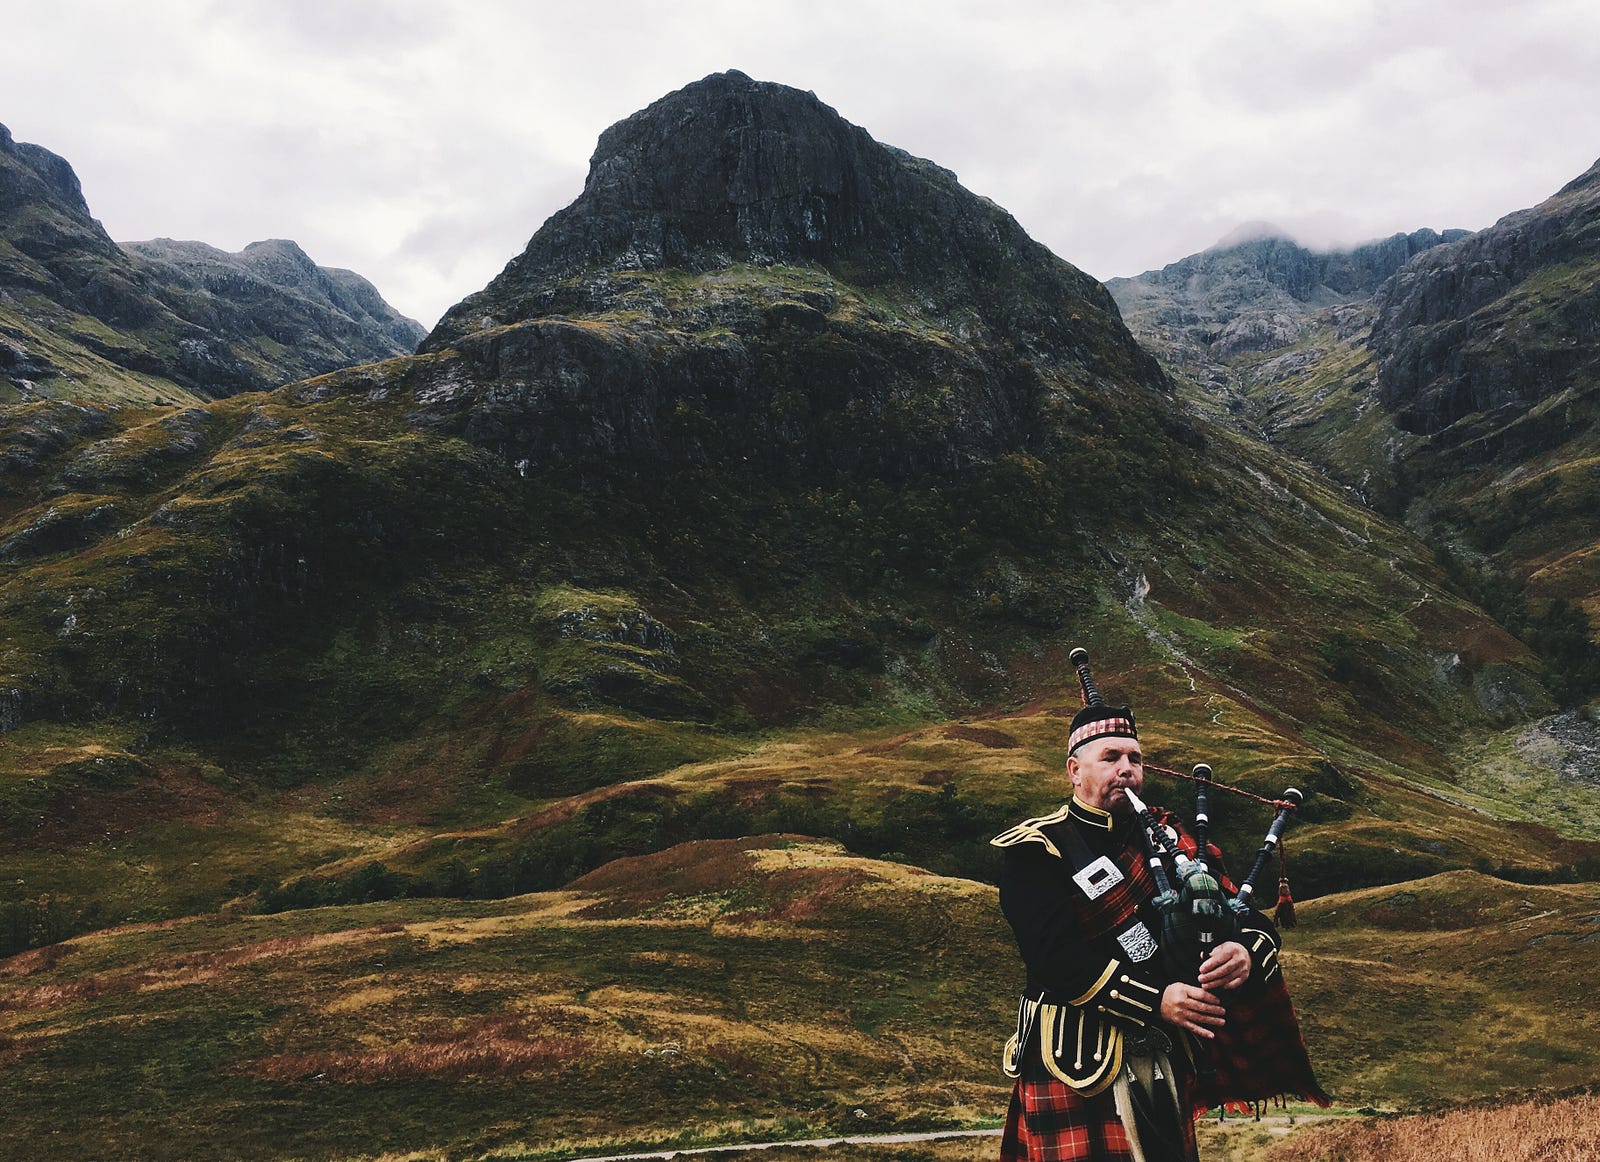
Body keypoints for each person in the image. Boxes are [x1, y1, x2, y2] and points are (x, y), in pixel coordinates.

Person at [992, 699, 1325, 1162]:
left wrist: (1244, 951)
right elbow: (1055, 960)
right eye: (1110, 757)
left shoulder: (1169, 838)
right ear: (1075, 770)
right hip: (1076, 1061)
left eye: (1135, 758)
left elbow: (1245, 915)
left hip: (1164, 1060)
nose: (1126, 769)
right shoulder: (1038, 849)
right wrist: (1157, 1001)